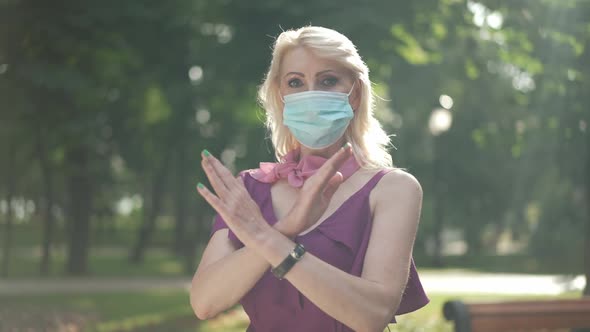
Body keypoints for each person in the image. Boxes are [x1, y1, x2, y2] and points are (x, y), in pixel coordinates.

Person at [191, 26, 429, 332]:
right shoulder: (250, 188)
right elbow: (204, 301)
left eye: (328, 80)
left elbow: (372, 315)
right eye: (295, 82)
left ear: (354, 94)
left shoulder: (393, 189)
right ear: (281, 94)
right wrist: (286, 228)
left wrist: (271, 241)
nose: (311, 94)